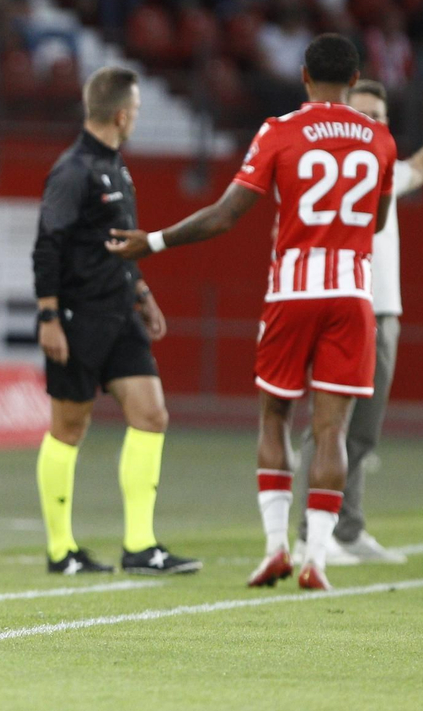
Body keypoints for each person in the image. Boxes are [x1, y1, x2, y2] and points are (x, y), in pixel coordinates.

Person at [109, 34, 397, 591]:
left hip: (292, 291)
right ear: (355, 80)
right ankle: (316, 557)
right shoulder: (380, 138)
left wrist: (156, 241)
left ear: (305, 77)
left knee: (273, 417)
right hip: (352, 295)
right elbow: (378, 222)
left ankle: (274, 549)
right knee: (331, 429)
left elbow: (225, 215)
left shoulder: (279, 131)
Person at [291, 75, 423, 565]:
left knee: (363, 431)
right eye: (362, 114)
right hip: (342, 307)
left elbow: (421, 166)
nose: (371, 124)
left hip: (384, 311)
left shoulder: (379, 170)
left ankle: (349, 526)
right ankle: (306, 535)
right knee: (328, 425)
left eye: (379, 116)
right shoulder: (327, 172)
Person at [31, 67, 199, 577]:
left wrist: (142, 292)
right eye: (137, 112)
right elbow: (48, 245)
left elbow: (117, 242)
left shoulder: (115, 167)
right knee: (69, 427)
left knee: (151, 414)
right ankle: (61, 550)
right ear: (121, 114)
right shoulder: (73, 170)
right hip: (78, 318)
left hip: (119, 313)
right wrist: (48, 316)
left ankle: (141, 546)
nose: (137, 120)